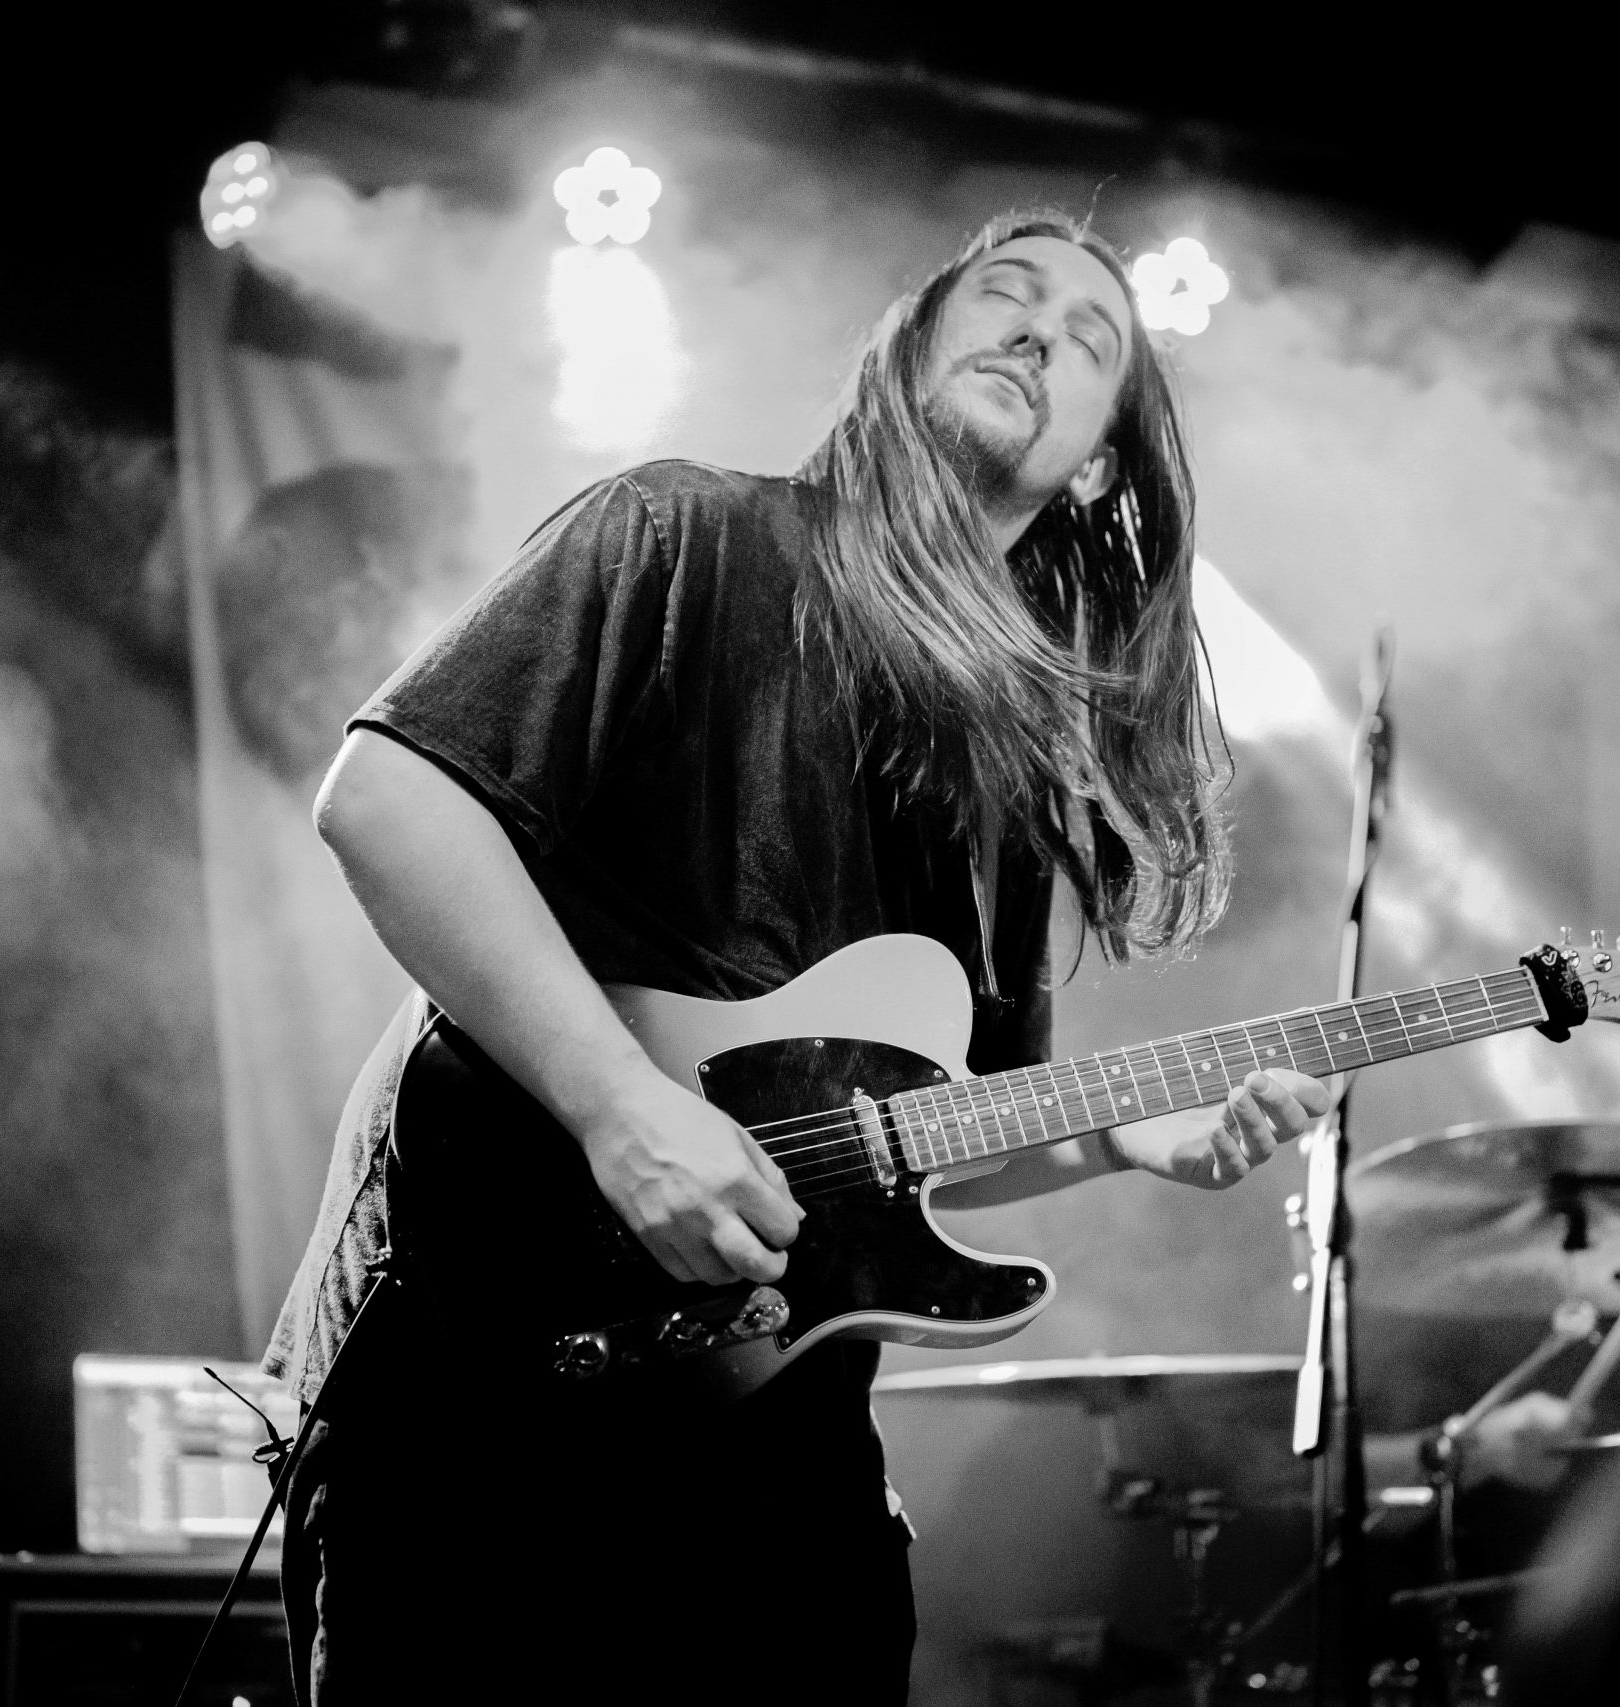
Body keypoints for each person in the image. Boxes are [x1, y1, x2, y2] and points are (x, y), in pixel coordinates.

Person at [260, 211, 1332, 1704]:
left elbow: (911, 1138)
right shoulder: (680, 534)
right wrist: (625, 1116)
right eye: (1005, 295)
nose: (1039, 329)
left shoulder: (1008, 783)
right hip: (485, 1395)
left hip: (780, 1467)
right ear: (908, 350)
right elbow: (388, 803)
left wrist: (1122, 1136)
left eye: (1092, 339)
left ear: (1096, 466)